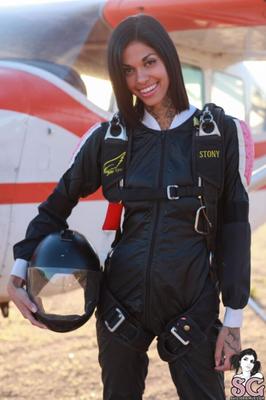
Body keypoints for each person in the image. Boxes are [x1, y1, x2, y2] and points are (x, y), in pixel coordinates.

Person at [8, 14, 251, 400]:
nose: (141, 78)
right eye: (128, 70)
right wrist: (20, 267)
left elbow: (235, 228)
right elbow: (56, 205)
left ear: (168, 60)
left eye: (149, 62)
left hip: (192, 307)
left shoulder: (217, 134)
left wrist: (233, 318)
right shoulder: (110, 139)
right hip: (120, 307)